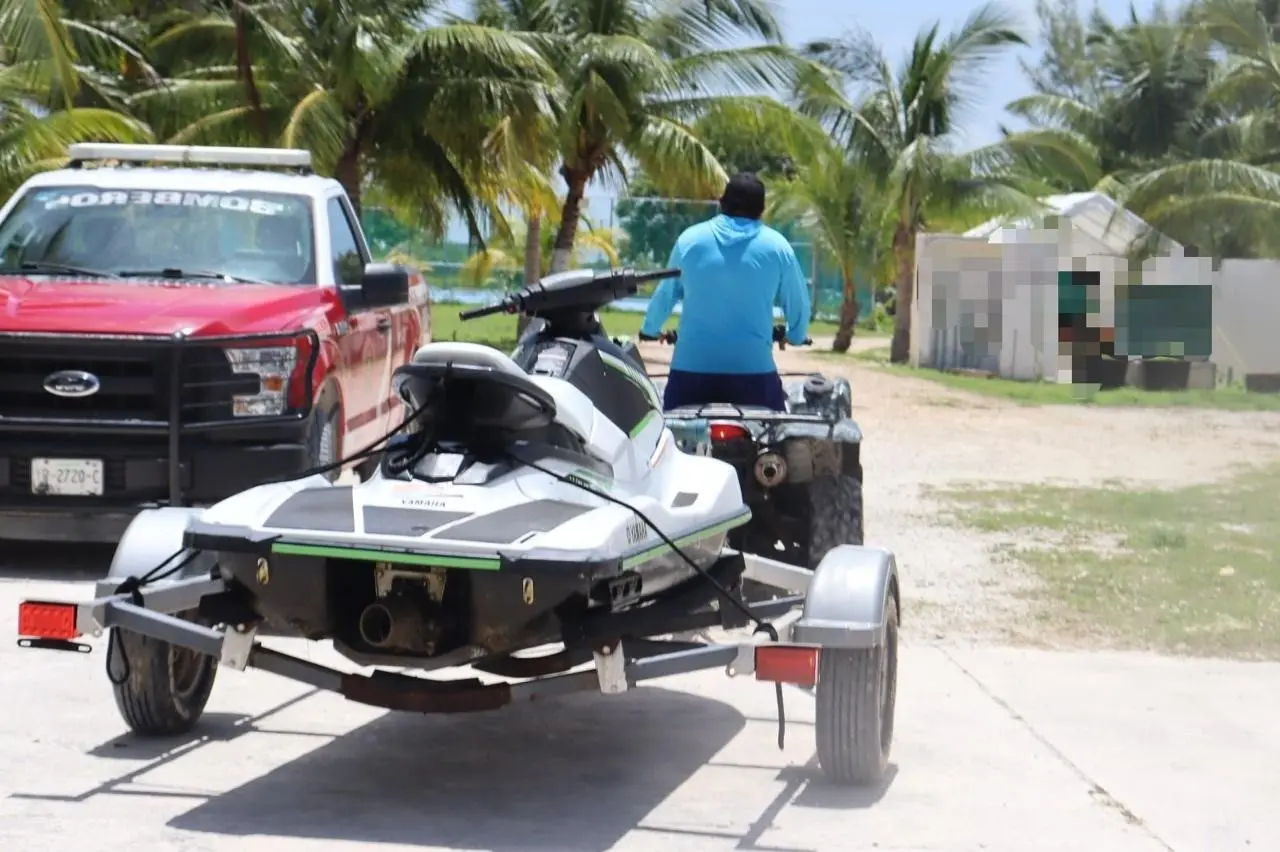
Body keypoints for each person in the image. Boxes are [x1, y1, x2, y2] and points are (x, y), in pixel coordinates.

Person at [639, 172, 810, 411]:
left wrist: (650, 330)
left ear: (722, 203)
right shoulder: (778, 247)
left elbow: (665, 294)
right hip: (754, 376)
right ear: (762, 210)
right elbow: (798, 303)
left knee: (669, 437)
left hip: (691, 374)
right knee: (776, 439)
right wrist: (796, 336)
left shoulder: (690, 240)